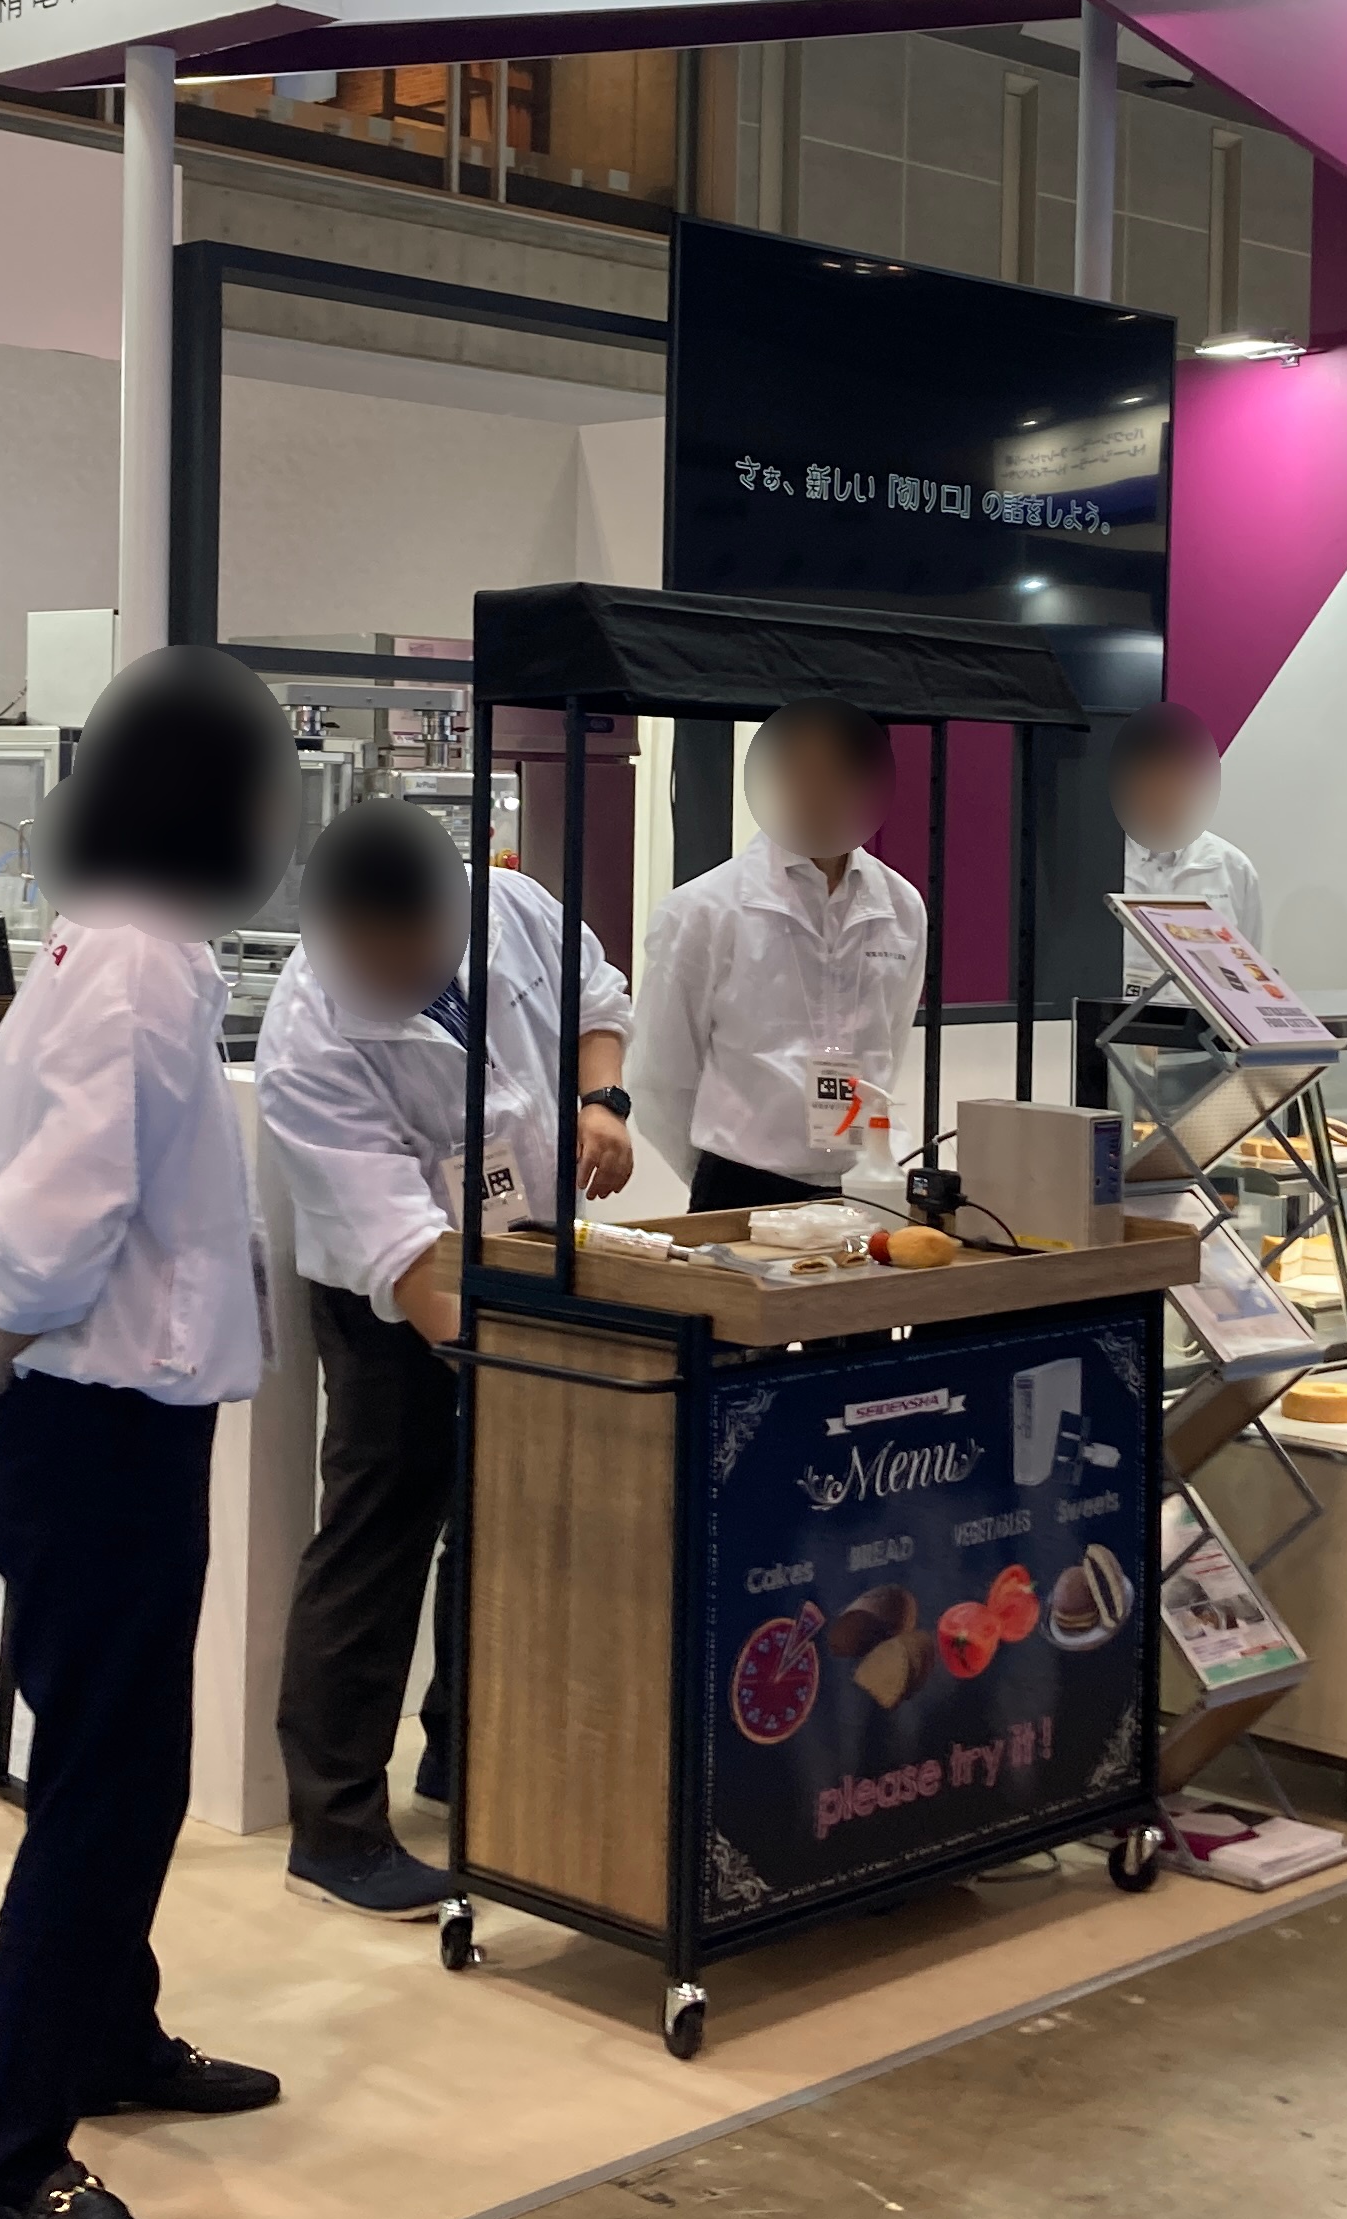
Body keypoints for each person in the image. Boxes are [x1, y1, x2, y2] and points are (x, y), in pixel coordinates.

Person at [0, 646, 298, 2219]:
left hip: (101, 1407)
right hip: (99, 1421)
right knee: (102, 1781)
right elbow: (62, 1205)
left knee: (125, 1762)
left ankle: (111, 2033)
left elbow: (6, 1167)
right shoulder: (138, 960)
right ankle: (14, 2146)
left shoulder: (125, 943)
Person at [255, 798, 633, 1920]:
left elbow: (596, 995)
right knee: (377, 1539)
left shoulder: (509, 903)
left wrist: (601, 1100)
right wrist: (514, 1366)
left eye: (418, 951)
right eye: (375, 962)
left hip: (527, 1252)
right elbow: (403, 1251)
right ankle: (336, 1831)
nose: (401, 975)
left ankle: (465, 1754)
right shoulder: (309, 1037)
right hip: (392, 1302)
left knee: (504, 1525)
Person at [633, 697, 927, 1211]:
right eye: (800, 769)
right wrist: (718, 1173)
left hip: (865, 1185)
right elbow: (659, 1078)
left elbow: (890, 1046)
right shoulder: (704, 909)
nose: (817, 790)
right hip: (743, 1185)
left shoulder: (901, 906)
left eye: (837, 771)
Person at [1113, 701, 1264, 990]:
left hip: (1203, 1019)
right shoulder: (1102, 861)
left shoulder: (1233, 867)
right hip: (1119, 1017)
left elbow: (1250, 974)